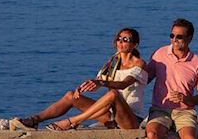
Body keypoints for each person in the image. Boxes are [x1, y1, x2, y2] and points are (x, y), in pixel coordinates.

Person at [19, 28, 150, 130]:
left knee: (113, 94)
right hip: (110, 116)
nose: (120, 42)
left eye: (126, 39)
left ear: (135, 45)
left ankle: (73, 121)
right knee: (71, 96)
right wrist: (83, 88)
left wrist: (101, 82)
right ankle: (34, 120)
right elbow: (98, 82)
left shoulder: (139, 63)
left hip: (131, 119)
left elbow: (123, 84)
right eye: (119, 38)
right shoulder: (113, 62)